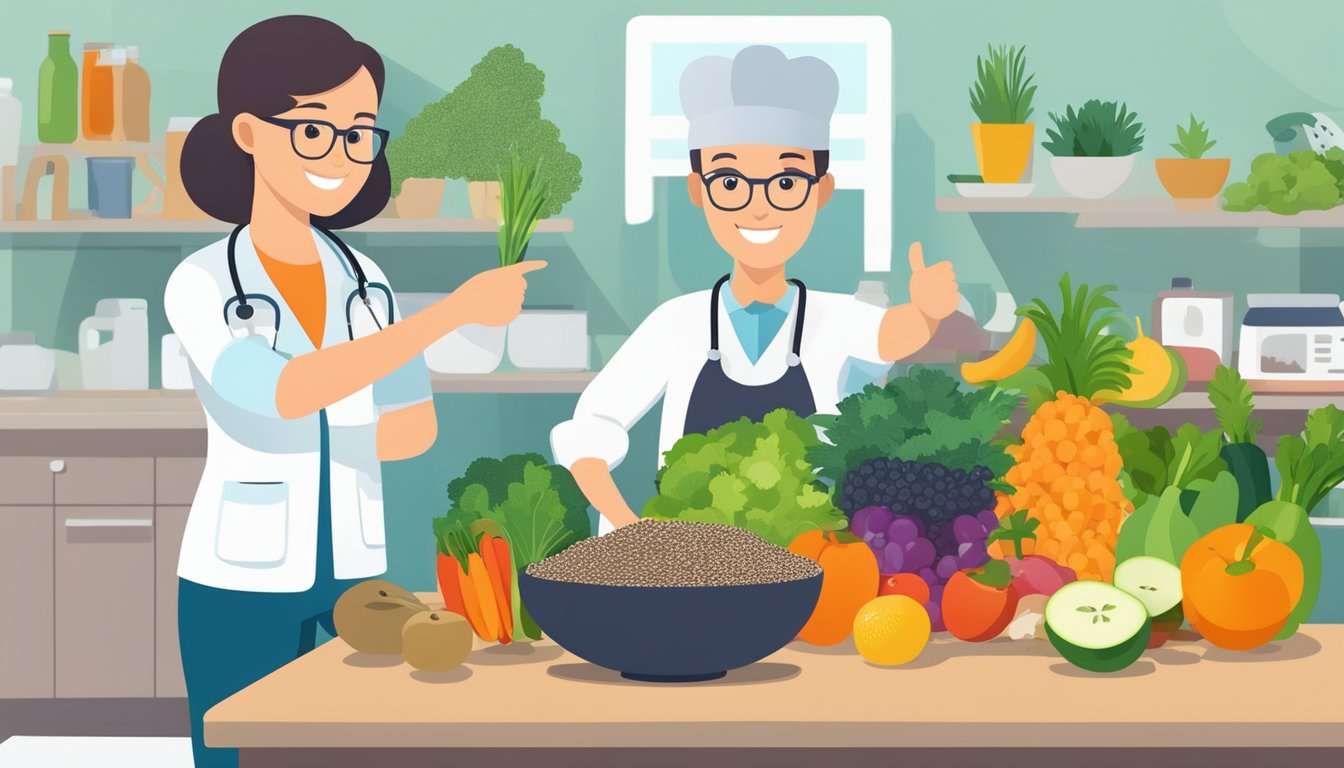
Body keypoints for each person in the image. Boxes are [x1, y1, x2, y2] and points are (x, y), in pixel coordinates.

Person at [164, 16, 543, 768]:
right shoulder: (203, 282)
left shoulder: (368, 285)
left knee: (346, 749)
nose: (342, 158)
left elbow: (411, 433)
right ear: (246, 131)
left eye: (360, 132)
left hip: (358, 574)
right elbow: (276, 394)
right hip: (241, 576)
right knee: (234, 755)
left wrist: (381, 385)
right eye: (316, 131)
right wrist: (450, 315)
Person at [551, 45, 961, 532]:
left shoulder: (835, 317)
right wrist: (624, 522)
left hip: (811, 558)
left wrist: (928, 312)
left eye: (786, 183)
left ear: (821, 192)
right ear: (699, 191)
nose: (759, 208)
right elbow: (591, 425)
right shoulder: (676, 322)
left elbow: (894, 335)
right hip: (689, 557)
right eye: (730, 182)